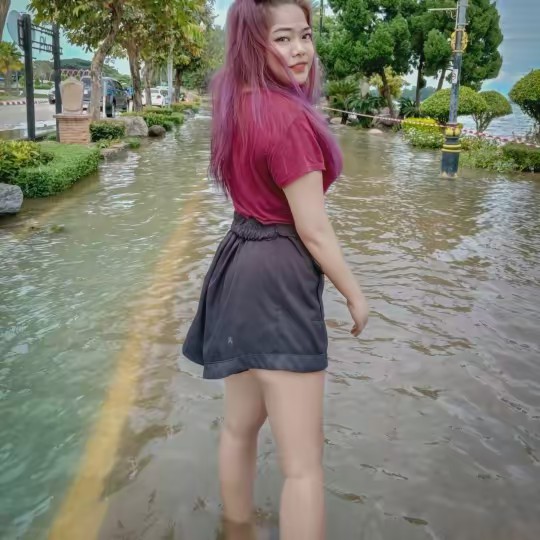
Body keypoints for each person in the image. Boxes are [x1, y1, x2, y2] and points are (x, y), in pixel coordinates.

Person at [182, 0, 369, 539]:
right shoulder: (290, 120)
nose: (300, 50)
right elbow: (313, 229)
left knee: (239, 429)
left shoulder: (236, 104)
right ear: (254, 45)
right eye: (282, 39)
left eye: (305, 35)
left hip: (237, 264)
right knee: (303, 465)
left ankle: (235, 530)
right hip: (279, 279)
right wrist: (355, 294)